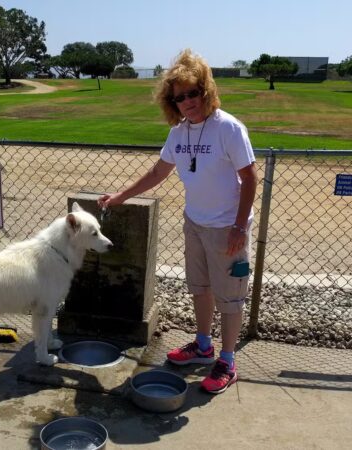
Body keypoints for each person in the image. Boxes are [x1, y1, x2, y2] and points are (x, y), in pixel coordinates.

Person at [98, 49, 258, 394]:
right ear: (172, 102)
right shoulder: (178, 133)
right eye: (180, 97)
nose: (188, 101)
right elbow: (159, 171)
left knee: (230, 296)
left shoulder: (228, 128)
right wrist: (120, 197)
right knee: (200, 288)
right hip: (195, 223)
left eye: (193, 93)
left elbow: (250, 177)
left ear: (206, 90)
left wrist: (240, 227)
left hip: (228, 228)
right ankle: (203, 346)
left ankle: (227, 362)